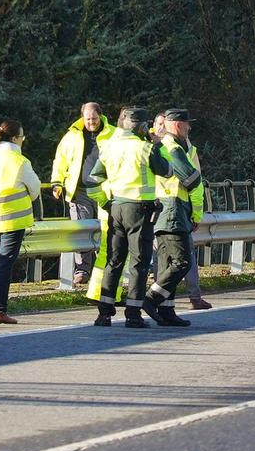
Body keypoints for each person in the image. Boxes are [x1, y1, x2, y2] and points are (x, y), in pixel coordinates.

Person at [84, 106, 170, 327]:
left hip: (116, 207)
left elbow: (92, 179)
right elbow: (167, 171)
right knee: (139, 262)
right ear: (141, 126)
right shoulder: (145, 148)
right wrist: (157, 144)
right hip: (140, 210)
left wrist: (104, 202)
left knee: (114, 260)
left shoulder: (109, 146)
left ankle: (104, 313)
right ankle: (133, 313)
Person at [0, 120, 41, 324]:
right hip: (13, 217)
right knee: (5, 264)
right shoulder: (19, 161)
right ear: (14, 139)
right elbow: (35, 188)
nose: (23, 140)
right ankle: (0, 311)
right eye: (22, 137)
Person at [143, 110, 203, 326]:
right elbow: (192, 178)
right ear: (178, 125)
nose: (189, 128)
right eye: (187, 125)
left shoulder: (161, 145)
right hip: (173, 210)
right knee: (182, 262)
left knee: (167, 263)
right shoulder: (173, 146)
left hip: (164, 208)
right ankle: (151, 298)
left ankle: (167, 311)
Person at [49, 102, 113, 288]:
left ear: (100, 116)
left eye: (94, 119)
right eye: (87, 119)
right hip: (80, 191)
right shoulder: (72, 136)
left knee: (106, 231)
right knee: (82, 232)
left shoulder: (113, 134)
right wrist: (56, 183)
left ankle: (104, 270)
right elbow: (60, 160)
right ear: (82, 117)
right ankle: (82, 270)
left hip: (105, 191)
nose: (91, 122)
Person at [181, 121, 213, 311]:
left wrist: (196, 213)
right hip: (157, 209)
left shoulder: (188, 150)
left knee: (187, 255)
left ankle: (194, 296)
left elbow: (196, 183)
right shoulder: (153, 148)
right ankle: (158, 299)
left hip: (180, 210)